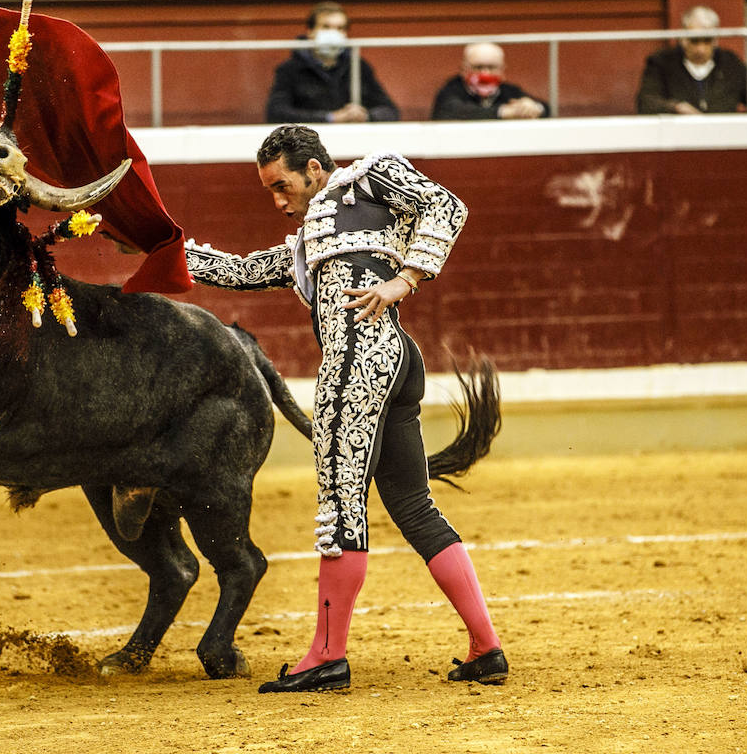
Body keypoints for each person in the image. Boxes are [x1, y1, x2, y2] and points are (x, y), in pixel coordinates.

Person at [184, 124, 506, 693]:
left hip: (359, 360)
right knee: (412, 504)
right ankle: (486, 647)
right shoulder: (309, 239)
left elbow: (446, 205)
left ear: (313, 168)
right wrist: (163, 249)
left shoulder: (369, 176)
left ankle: (327, 656)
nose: (279, 203)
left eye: (282, 186)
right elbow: (242, 272)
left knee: (339, 505)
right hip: (396, 361)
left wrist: (403, 280)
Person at [265, 2, 401, 124]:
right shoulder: (290, 69)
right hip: (307, 144)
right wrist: (330, 118)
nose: (333, 33)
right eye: (326, 27)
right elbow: (276, 113)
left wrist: (365, 116)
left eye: (340, 28)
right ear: (310, 32)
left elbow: (390, 111)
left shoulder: (357, 66)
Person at [636, 5, 747, 114]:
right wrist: (677, 108)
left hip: (724, 140)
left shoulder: (730, 63)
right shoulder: (662, 62)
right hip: (679, 140)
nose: (700, 49)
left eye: (707, 41)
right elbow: (646, 102)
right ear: (682, 38)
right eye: (694, 41)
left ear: (716, 40)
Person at [431, 43, 550, 120]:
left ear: (502, 70)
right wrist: (503, 112)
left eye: (491, 67)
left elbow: (546, 108)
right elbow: (451, 111)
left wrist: (533, 107)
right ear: (463, 69)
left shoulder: (508, 90)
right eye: (478, 67)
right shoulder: (451, 90)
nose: (485, 74)